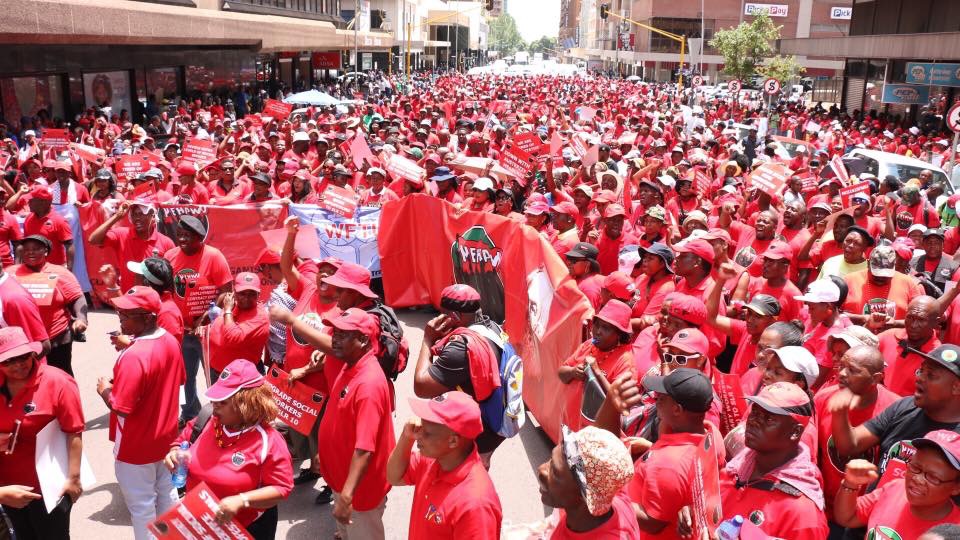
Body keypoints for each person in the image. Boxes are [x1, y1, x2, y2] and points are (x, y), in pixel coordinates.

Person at [164, 359, 293, 539]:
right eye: (214, 400)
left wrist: (242, 500)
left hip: (245, 528)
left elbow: (281, 488)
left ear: (246, 404)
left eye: (221, 402)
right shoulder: (207, 418)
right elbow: (181, 440)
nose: (213, 405)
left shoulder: (269, 441)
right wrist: (174, 452)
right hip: (199, 521)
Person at [96, 286, 184, 540]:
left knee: (142, 508)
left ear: (148, 317)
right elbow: (177, 380)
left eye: (126, 315)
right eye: (119, 313)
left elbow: (120, 405)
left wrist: (105, 389)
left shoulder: (134, 355)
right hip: (166, 440)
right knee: (167, 496)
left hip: (135, 446)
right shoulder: (169, 340)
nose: (120, 319)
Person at [316, 308, 394, 540]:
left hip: (360, 493)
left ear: (362, 339)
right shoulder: (348, 365)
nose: (334, 338)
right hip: (343, 480)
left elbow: (364, 449)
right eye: (335, 332)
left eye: (343, 334)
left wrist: (347, 496)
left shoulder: (368, 384)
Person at [0, 326, 84, 540]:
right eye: (8, 361)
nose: (18, 365)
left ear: (32, 353)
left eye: (23, 357)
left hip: (47, 487)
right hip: (7, 487)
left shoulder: (58, 382)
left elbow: (74, 431)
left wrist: (73, 479)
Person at [828, 343, 960, 479]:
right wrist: (840, 412)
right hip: (876, 500)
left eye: (931, 375)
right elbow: (850, 445)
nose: (919, 378)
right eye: (921, 371)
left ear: (956, 387)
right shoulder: (904, 407)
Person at [718, 382, 829, 539]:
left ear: (795, 432)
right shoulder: (733, 470)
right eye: (754, 412)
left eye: (769, 419)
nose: (754, 421)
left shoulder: (802, 513)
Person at [387, 391, 502, 539]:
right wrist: (406, 437)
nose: (418, 435)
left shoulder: (476, 505)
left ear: (453, 441)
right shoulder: (433, 459)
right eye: (421, 426)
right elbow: (393, 477)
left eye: (427, 433)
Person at [413, 284, 506, 468]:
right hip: (494, 420)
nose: (437, 318)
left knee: (465, 475)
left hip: (475, 431)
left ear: (454, 317)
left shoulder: (460, 347)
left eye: (442, 314)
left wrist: (427, 339)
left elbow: (421, 386)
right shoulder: (491, 326)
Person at [812, 345, 899, 532]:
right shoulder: (824, 398)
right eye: (842, 366)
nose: (842, 373)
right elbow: (812, 452)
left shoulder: (895, 409)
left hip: (863, 516)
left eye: (852, 370)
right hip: (823, 509)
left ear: (876, 378)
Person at [628, 368, 720, 538]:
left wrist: (611, 497)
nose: (655, 401)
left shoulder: (670, 464)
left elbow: (652, 522)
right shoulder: (711, 434)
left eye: (661, 398)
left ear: (677, 410)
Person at [163, 215, 233, 424]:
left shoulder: (214, 256)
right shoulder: (170, 256)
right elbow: (165, 290)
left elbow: (226, 291)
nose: (182, 239)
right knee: (184, 378)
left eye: (188, 236)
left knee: (213, 375)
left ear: (199, 238)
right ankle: (190, 415)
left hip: (208, 332)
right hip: (180, 331)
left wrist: (206, 317)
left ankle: (218, 416)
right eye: (180, 235)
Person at [834, 430, 960, 537]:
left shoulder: (954, 532)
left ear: (956, 487)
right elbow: (847, 517)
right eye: (915, 467)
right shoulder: (894, 488)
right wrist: (850, 483)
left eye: (933, 477)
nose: (918, 479)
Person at [535, 425, 640, 538]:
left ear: (584, 496)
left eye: (555, 472)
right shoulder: (612, 494)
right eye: (551, 460)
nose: (541, 469)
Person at [7, 235, 86, 376]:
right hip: (22, 342)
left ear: (46, 251)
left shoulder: (60, 273)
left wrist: (81, 318)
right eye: (26, 249)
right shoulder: (10, 273)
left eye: (36, 249)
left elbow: (77, 298)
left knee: (60, 375)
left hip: (56, 337)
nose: (30, 252)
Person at [558, 300, 635, 432]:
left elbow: (619, 403)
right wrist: (572, 372)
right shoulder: (588, 345)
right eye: (597, 325)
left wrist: (597, 372)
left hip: (594, 433)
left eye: (606, 328)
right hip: (569, 423)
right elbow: (561, 373)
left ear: (619, 334)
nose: (598, 331)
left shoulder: (626, 360)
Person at [89, 200, 175, 290]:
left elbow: (170, 277)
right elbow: (93, 240)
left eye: (141, 214)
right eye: (134, 214)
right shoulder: (122, 234)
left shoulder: (166, 243)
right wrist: (117, 216)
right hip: (128, 299)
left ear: (153, 216)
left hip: (155, 300)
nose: (137, 218)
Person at [206, 272, 270, 379]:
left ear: (259, 295)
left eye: (252, 294)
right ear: (234, 292)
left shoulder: (260, 317)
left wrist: (227, 310)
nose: (246, 298)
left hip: (242, 377)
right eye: (242, 293)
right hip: (220, 372)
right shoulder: (233, 305)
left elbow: (232, 337)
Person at [877, 295, 941, 397]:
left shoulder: (937, 358)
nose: (913, 325)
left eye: (921, 320)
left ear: (936, 322)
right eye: (910, 317)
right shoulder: (887, 337)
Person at [21, 186, 73, 269]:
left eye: (31, 200)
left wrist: (69, 268)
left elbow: (69, 245)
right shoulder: (28, 218)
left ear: (43, 202)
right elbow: (25, 244)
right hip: (32, 268)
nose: (28, 202)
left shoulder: (59, 221)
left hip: (54, 270)